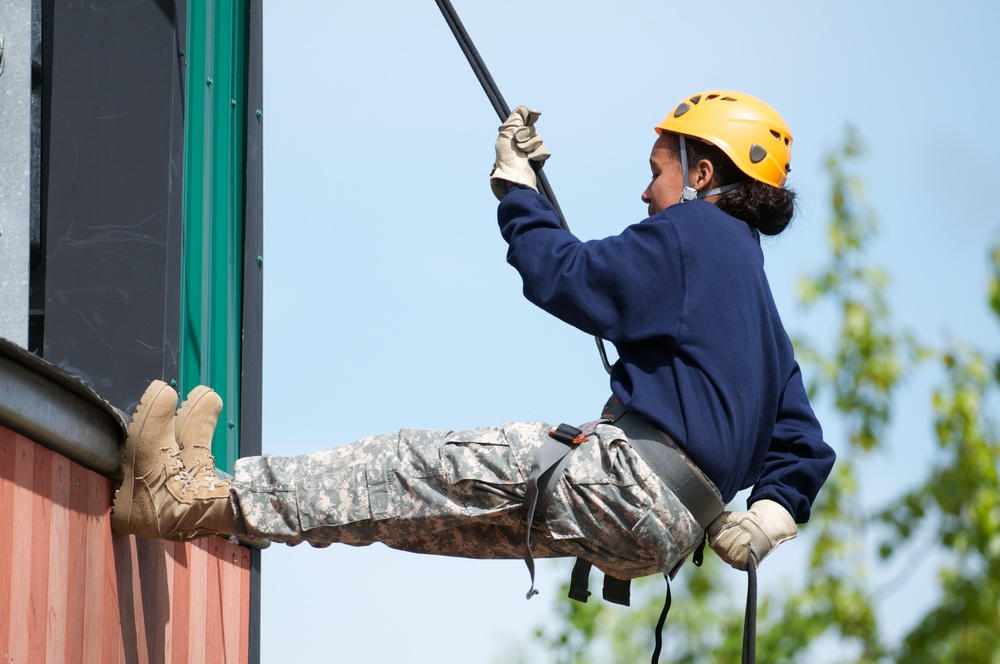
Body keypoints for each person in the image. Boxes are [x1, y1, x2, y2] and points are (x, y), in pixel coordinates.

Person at [111, 90, 835, 592]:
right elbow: (802, 443)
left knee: (402, 468)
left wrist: (516, 191)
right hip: (662, 536)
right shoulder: (760, 310)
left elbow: (567, 277)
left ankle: (185, 496)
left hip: (623, 485)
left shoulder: (692, 232)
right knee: (417, 512)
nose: (647, 194)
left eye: (658, 172)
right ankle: (206, 506)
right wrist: (768, 518)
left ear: (703, 172)